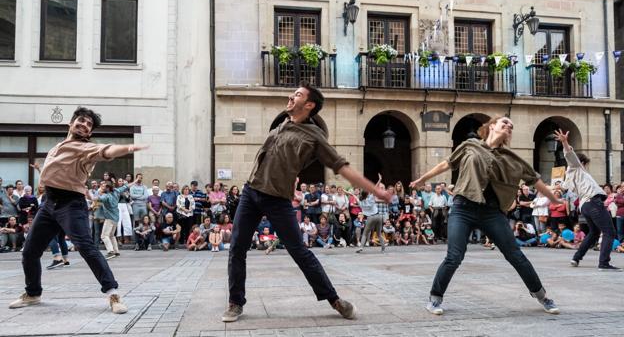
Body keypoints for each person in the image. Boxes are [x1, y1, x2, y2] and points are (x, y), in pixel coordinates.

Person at [223, 82, 391, 323]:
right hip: (251, 192)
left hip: (277, 200)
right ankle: (235, 302)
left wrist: (375, 189)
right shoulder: (282, 124)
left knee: (299, 251)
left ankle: (334, 300)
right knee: (237, 248)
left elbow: (342, 167)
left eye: (298, 95)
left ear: (309, 105)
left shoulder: (315, 136)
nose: (291, 97)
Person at [410, 116, 561, 316]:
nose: (508, 126)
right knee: (454, 256)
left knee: (515, 255)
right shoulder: (470, 146)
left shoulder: (513, 158)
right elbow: (446, 164)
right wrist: (422, 179)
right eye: (505, 123)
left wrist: (555, 199)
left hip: (492, 212)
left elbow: (536, 181)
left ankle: (542, 296)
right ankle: (435, 298)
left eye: (511, 126)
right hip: (463, 207)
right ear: (492, 126)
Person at [10, 107, 147, 313]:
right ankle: (33, 293)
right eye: (81, 121)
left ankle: (113, 294)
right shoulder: (57, 147)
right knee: (30, 252)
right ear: (71, 123)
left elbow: (106, 151)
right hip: (49, 203)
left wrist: (128, 148)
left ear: (89, 133)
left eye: (89, 125)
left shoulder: (85, 148)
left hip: (71, 204)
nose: (84, 125)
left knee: (87, 248)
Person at [554, 130, 621, 271]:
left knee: (594, 232)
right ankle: (604, 263)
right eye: (586, 164)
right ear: (582, 162)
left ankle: (576, 257)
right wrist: (565, 142)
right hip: (593, 202)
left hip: (585, 206)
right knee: (609, 232)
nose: (586, 167)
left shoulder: (569, 177)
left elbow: (564, 187)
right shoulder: (576, 167)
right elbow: (570, 156)